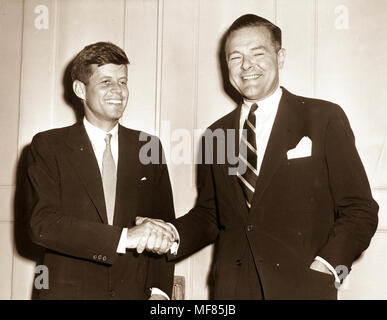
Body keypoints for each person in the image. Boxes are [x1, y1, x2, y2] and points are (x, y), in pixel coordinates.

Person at [137, 14, 379, 299]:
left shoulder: (323, 118)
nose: (246, 65)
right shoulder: (216, 133)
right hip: (232, 291)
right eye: (235, 57)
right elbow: (211, 214)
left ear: (281, 57)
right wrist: (170, 233)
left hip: (304, 289)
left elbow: (361, 210)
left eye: (257, 53)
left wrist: (329, 268)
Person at [26, 42, 177, 300]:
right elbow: (43, 225)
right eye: (106, 82)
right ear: (79, 89)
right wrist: (124, 237)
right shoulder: (48, 146)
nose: (118, 91)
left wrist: (159, 291)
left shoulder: (148, 146)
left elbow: (163, 224)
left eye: (123, 81)